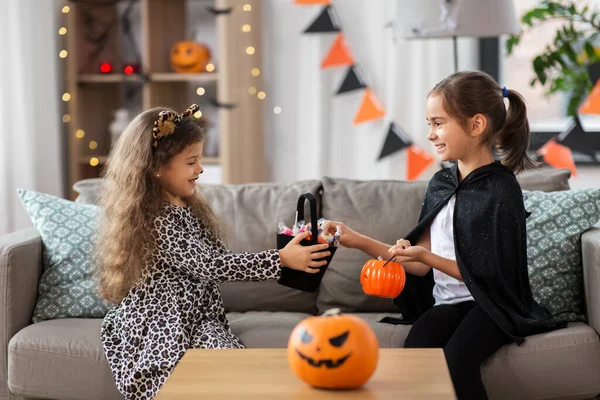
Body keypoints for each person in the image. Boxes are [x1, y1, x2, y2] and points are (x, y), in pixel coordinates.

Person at [323, 71, 566, 400]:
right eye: (429, 124)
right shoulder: (441, 183)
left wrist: (427, 257)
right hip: (448, 302)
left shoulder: (502, 189)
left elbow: (493, 276)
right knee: (418, 352)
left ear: (476, 124)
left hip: (492, 306)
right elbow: (420, 264)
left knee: (455, 362)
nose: (431, 134)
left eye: (438, 123)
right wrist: (357, 240)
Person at [94, 104, 331, 400]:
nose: (201, 169)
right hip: (164, 318)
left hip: (201, 317)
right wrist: (280, 259)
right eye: (191, 162)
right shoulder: (156, 217)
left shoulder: (186, 206)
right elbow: (209, 265)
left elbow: (216, 258)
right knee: (171, 381)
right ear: (156, 167)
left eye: (200, 160)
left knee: (231, 364)